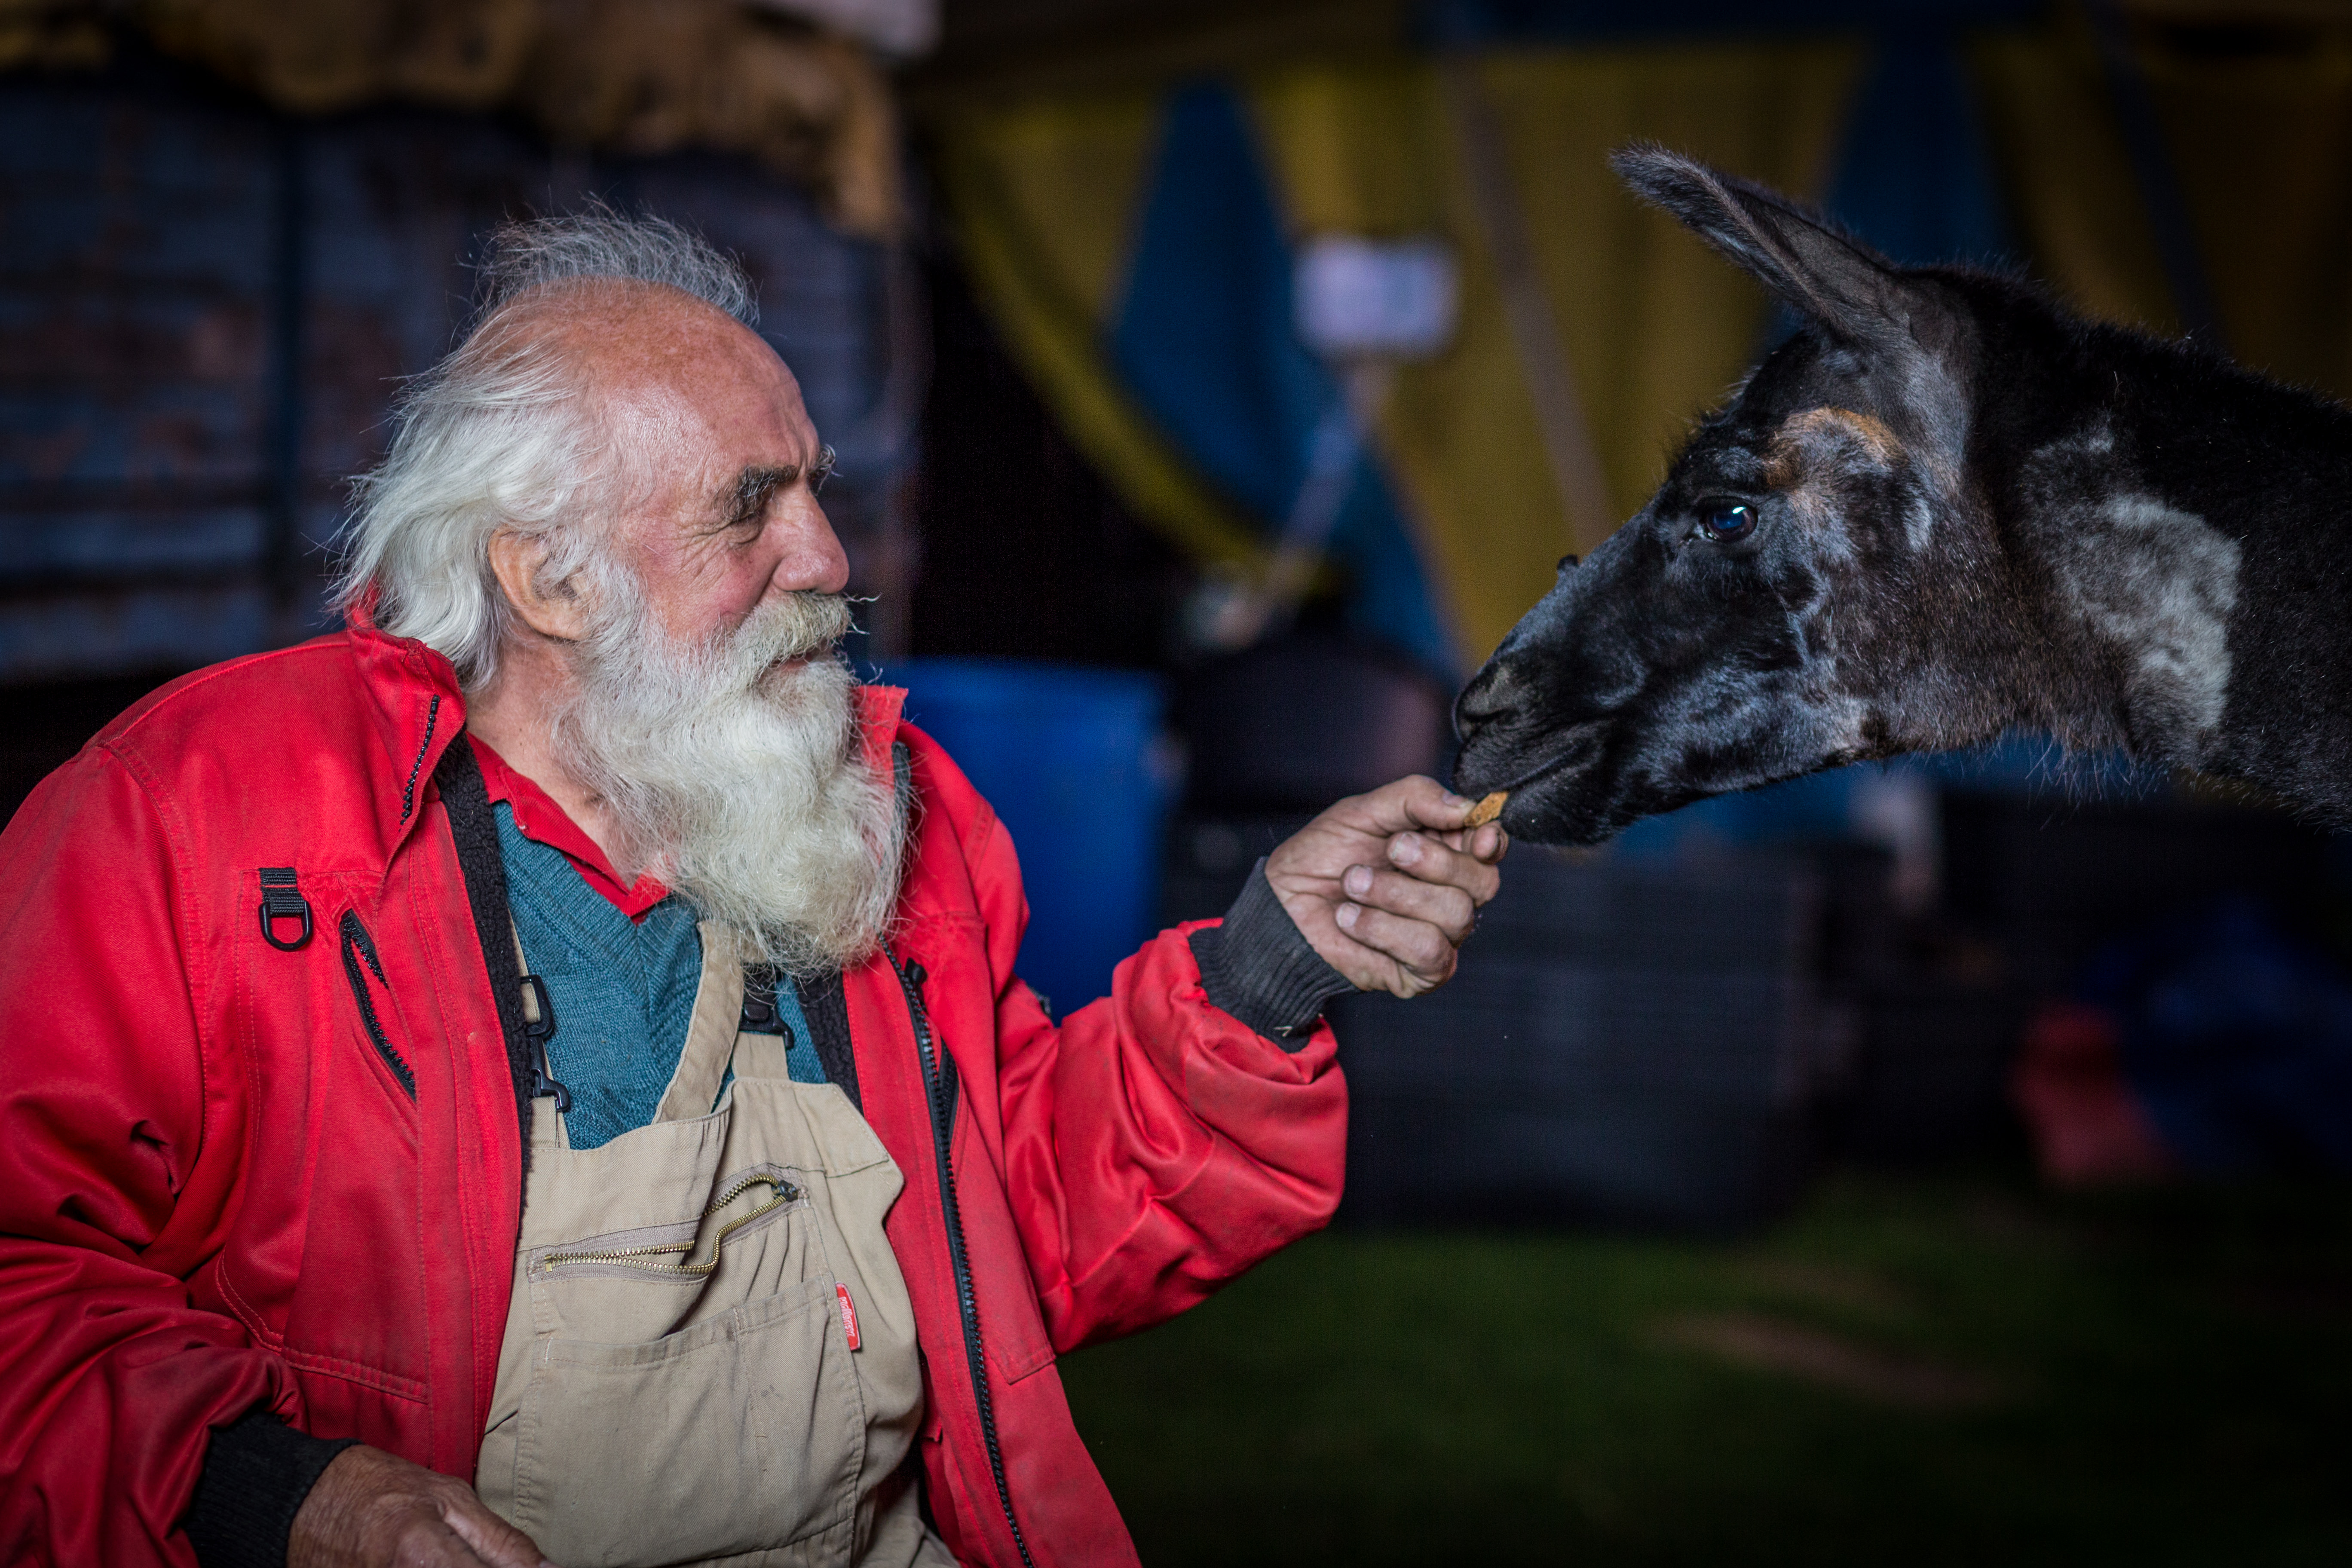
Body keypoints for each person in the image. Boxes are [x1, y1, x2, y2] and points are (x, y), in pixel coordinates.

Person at [0, 214, 1507, 1568]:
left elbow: (1015, 1226)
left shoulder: (867, 815)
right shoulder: (198, 816)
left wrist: (1266, 967)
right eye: (751, 507)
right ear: (551, 579)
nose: (830, 556)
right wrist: (291, 1494)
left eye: (819, 491)